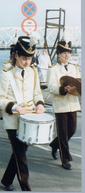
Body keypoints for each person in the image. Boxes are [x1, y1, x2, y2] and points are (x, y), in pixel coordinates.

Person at [0, 34, 45, 191]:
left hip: (29, 119)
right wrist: (15, 107)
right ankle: (26, 188)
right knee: (21, 157)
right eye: (23, 58)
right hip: (13, 121)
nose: (26, 61)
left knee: (19, 153)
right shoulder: (6, 73)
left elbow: (37, 94)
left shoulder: (33, 72)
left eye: (29, 58)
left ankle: (6, 180)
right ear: (16, 55)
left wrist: (40, 104)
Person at [47, 33, 80, 170]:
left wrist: (76, 87)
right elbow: (50, 87)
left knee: (72, 130)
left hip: (72, 103)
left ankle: (54, 144)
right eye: (63, 53)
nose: (66, 55)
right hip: (61, 104)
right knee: (63, 132)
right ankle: (65, 159)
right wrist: (63, 88)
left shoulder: (74, 67)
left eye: (68, 53)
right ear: (58, 54)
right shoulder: (53, 69)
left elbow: (78, 82)